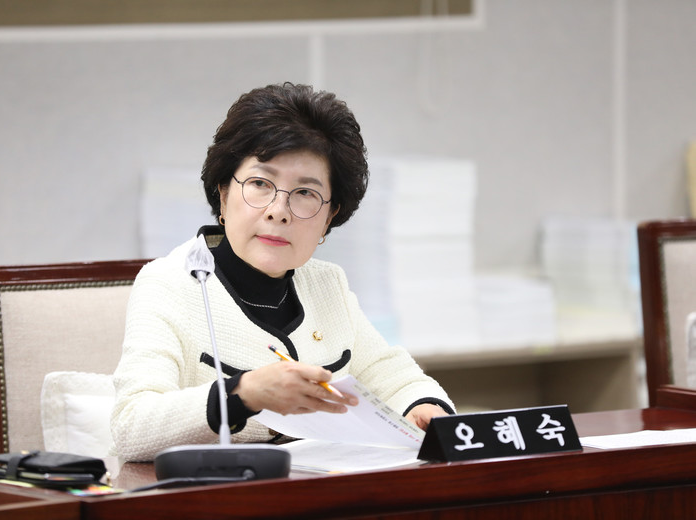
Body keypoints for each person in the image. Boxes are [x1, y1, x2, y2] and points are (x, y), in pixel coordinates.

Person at [111, 82, 454, 461]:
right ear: (223, 194)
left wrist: (426, 409)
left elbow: (394, 376)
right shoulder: (170, 284)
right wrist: (245, 395)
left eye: (305, 193)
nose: (279, 211)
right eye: (260, 183)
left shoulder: (328, 284)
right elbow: (132, 425)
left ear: (329, 216)